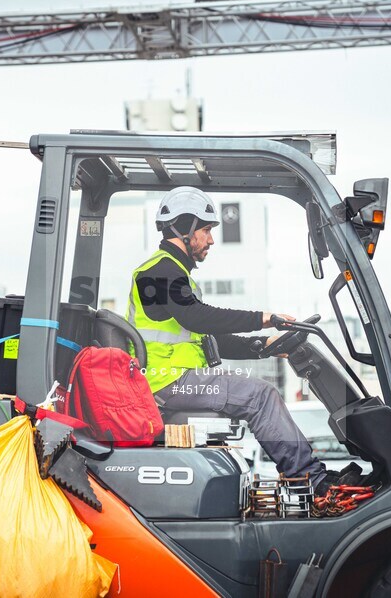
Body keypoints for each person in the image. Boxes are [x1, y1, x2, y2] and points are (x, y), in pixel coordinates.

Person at [126, 185, 353, 496]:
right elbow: (199, 318)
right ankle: (311, 481)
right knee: (260, 396)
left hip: (177, 379)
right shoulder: (158, 272)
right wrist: (262, 317)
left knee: (258, 393)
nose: (210, 239)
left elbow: (209, 336)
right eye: (205, 230)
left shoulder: (174, 273)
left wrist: (263, 346)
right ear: (183, 227)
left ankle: (309, 475)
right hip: (167, 381)